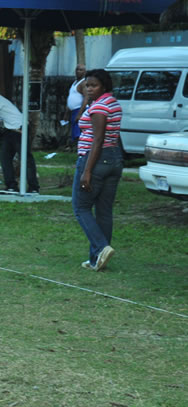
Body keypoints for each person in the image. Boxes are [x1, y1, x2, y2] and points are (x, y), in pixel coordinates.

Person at [72, 69, 122, 271]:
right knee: (103, 210)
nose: (89, 89)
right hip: (114, 157)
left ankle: (101, 248)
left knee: (81, 207)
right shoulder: (112, 102)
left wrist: (87, 171)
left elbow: (98, 140)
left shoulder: (100, 107)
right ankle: (97, 260)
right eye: (87, 85)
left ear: (104, 86)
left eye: (94, 86)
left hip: (94, 160)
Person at [63, 64, 87, 146]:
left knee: (78, 133)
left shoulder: (83, 83)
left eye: (81, 70)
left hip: (79, 110)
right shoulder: (74, 82)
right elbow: (70, 98)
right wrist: (66, 113)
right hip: (73, 110)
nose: (78, 71)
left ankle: (81, 149)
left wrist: (80, 114)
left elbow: (86, 98)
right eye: (77, 69)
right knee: (74, 131)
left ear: (84, 72)